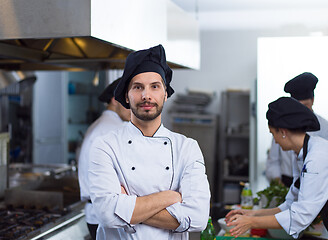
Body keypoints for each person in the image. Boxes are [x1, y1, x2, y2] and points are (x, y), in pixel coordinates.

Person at [88, 44, 211, 239]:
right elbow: (105, 214)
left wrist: (126, 204)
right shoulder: (105, 146)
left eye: (155, 86)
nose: (146, 95)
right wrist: (170, 197)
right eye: (138, 87)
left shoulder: (187, 148)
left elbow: (198, 218)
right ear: (126, 97)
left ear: (165, 94)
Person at [226, 97, 328, 239]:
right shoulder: (302, 154)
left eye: (273, 133)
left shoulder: (317, 156)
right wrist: (252, 214)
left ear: (283, 132)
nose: (274, 140)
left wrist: (252, 222)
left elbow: (300, 215)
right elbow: (291, 204)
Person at [78, 78, 131, 240]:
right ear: (115, 100)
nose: (134, 107)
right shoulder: (113, 129)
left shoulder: (100, 124)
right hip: (107, 214)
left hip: (96, 213)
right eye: (128, 100)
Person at [266, 72, 328, 187]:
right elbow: (273, 161)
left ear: (313, 100)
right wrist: (279, 183)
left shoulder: (324, 127)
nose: (302, 112)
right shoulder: (281, 127)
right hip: (287, 182)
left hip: (316, 183)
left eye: (306, 106)